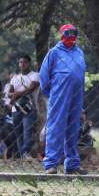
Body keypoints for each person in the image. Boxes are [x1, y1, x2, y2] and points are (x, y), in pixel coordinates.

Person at [39, 24, 87, 175]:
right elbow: (44, 75)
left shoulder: (79, 52)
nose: (71, 37)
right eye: (68, 34)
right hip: (59, 94)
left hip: (76, 95)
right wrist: (50, 91)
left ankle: (72, 163)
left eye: (73, 34)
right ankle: (51, 164)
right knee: (56, 126)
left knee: (73, 127)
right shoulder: (54, 52)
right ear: (61, 35)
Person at [8, 55, 40, 160]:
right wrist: (14, 94)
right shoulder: (14, 78)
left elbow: (31, 88)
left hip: (30, 108)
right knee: (19, 133)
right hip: (16, 109)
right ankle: (23, 155)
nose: (22, 64)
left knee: (28, 131)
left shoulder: (35, 75)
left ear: (29, 63)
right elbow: (9, 93)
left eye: (25, 62)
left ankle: (25, 152)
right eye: (20, 62)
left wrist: (17, 94)